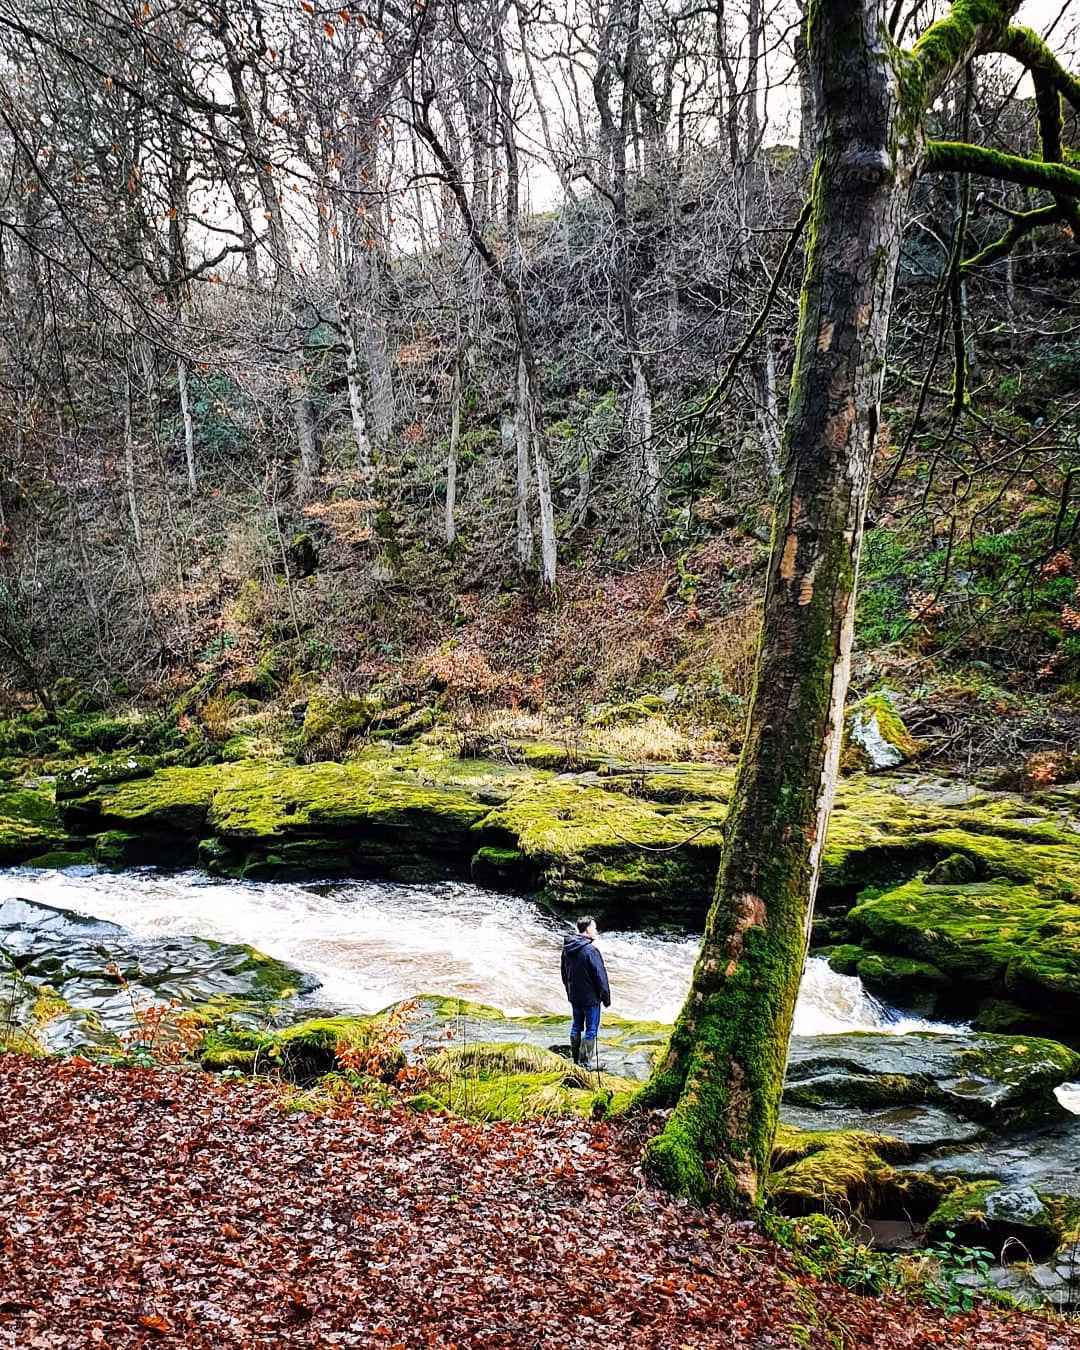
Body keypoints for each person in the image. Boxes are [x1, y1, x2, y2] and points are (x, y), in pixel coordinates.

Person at [560, 916, 610, 1070]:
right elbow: (600, 976)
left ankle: (576, 1061)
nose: (596, 931)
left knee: (576, 1026)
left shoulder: (567, 948)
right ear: (588, 929)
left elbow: (564, 973)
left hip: (575, 996)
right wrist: (605, 997)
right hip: (591, 998)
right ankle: (585, 1063)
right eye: (594, 928)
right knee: (591, 1029)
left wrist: (569, 991)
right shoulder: (591, 951)